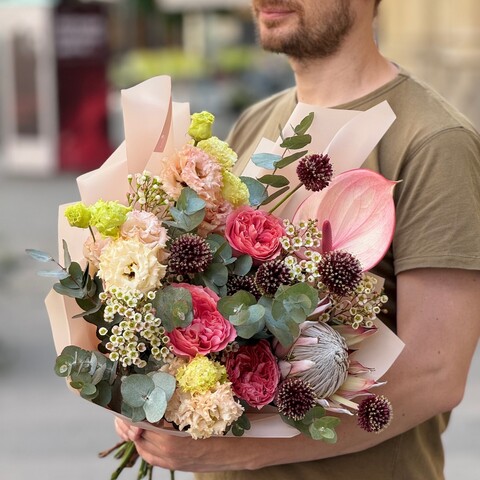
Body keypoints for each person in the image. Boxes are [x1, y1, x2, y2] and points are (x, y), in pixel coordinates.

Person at [115, 1, 480, 478]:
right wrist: (146, 385)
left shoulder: (434, 141)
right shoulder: (257, 123)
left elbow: (435, 376)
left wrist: (238, 452)